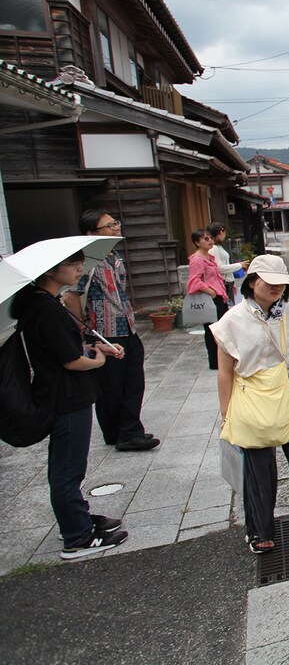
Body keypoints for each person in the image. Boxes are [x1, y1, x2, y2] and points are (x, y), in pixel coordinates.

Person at [12, 250, 129, 559]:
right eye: (72, 264)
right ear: (50, 271)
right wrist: (98, 360)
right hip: (65, 397)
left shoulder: (46, 304)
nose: (80, 268)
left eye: (80, 262)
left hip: (64, 394)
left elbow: (67, 347)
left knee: (69, 466)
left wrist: (98, 346)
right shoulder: (46, 309)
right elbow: (71, 361)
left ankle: (80, 520)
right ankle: (77, 537)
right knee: (67, 469)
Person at [210, 255, 289, 554]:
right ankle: (261, 529)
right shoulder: (232, 320)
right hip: (253, 398)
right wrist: (226, 412)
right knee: (259, 466)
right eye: (270, 282)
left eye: (282, 283)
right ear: (252, 282)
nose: (278, 288)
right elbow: (225, 371)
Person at [63, 210, 158, 452]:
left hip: (126, 326)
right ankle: (125, 433)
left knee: (132, 382)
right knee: (112, 385)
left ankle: (123, 430)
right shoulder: (86, 261)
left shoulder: (114, 256)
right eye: (109, 226)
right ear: (91, 234)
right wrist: (83, 328)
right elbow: (72, 295)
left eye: (115, 223)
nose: (116, 228)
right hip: (103, 330)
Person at [187, 228, 229, 370]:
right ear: (197, 243)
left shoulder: (209, 257)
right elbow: (193, 281)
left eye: (210, 238)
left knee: (220, 329)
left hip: (218, 297)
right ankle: (215, 361)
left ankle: (221, 358)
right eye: (205, 239)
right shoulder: (197, 260)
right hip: (211, 298)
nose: (210, 240)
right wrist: (210, 291)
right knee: (212, 330)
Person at [207, 222, 245, 304]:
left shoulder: (218, 247)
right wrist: (240, 265)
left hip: (228, 282)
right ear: (221, 232)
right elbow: (220, 268)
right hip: (224, 282)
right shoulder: (214, 248)